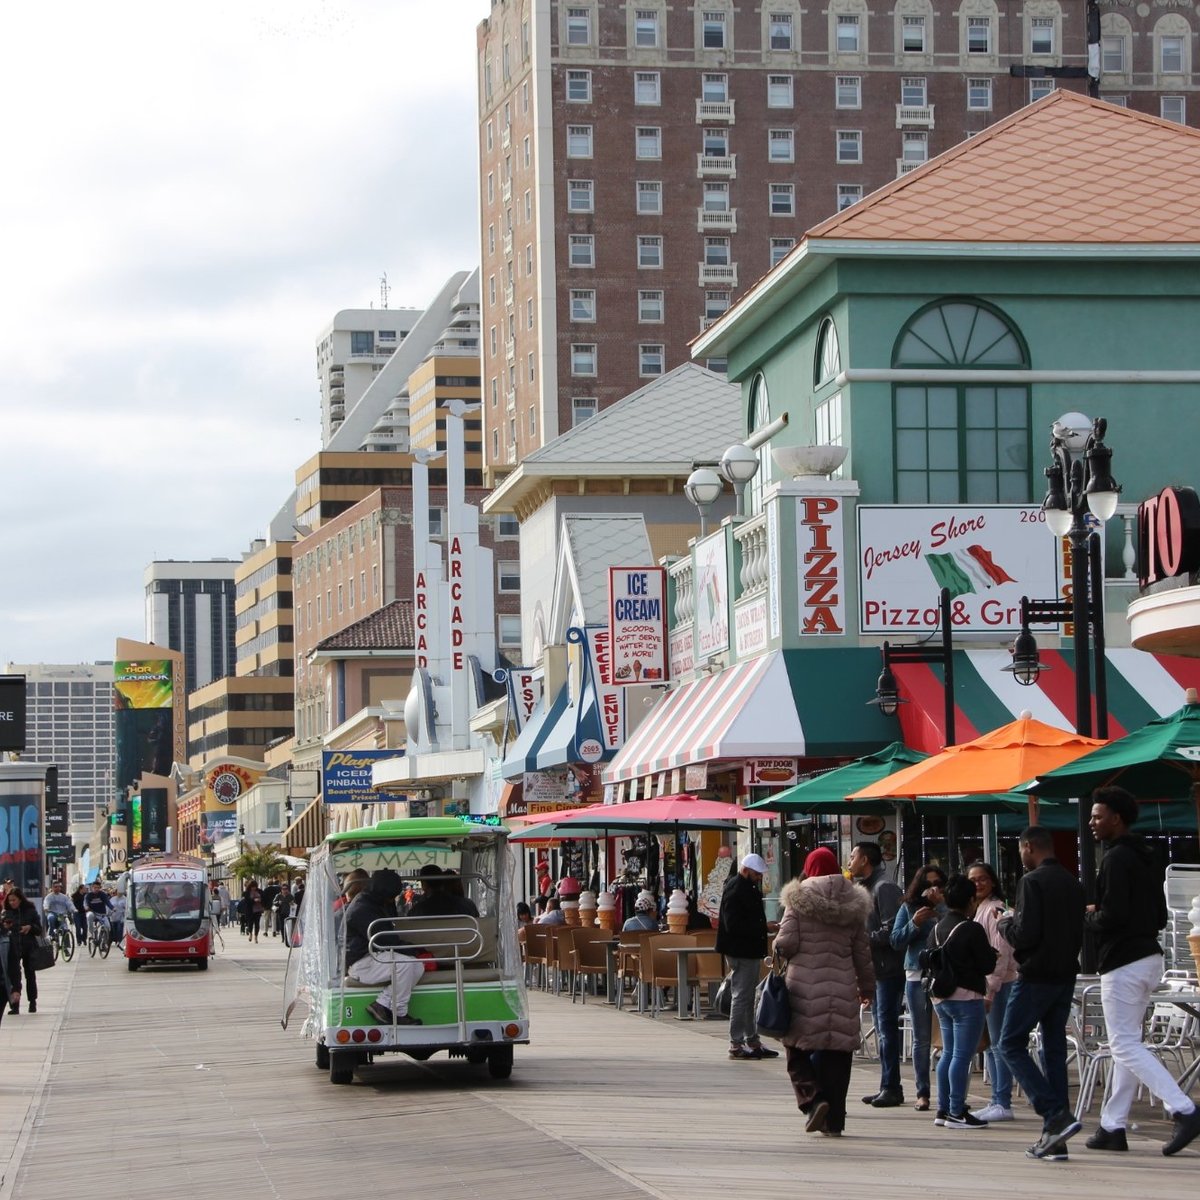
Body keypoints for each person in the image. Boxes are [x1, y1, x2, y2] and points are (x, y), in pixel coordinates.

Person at [1084, 786, 1200, 1157]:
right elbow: (1157, 915)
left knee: (1123, 1044)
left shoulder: (1116, 859)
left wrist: (1090, 917)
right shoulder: (1147, 855)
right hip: (1150, 956)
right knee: (1127, 1044)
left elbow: (1113, 916)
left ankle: (1184, 1109)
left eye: (1098, 816)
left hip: (1124, 961)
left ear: (1116, 819)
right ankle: (1112, 1126)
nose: (1092, 823)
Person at [998, 825, 1086, 1162]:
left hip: (1036, 975)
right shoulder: (1073, 883)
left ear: (1029, 847)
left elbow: (1025, 934)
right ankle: (1056, 1138)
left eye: (1020, 850)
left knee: (1009, 1043)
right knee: (1053, 1051)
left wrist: (1005, 923)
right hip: (1065, 974)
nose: (1021, 856)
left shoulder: (1031, 882)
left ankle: (1054, 1114)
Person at [774, 846, 874, 1137]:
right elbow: (862, 954)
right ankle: (835, 1123)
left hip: (804, 989)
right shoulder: (855, 904)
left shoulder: (798, 901)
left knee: (795, 1050)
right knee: (838, 1056)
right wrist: (867, 987)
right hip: (843, 988)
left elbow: (785, 945)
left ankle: (813, 1099)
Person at [929, 874, 997, 1130]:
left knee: (947, 1052)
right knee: (961, 1055)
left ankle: (943, 1108)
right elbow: (987, 964)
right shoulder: (971, 928)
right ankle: (956, 1110)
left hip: (940, 997)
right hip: (967, 996)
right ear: (970, 900)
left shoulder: (937, 926)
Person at [848, 841, 905, 1106]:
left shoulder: (885, 887)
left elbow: (893, 930)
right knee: (881, 1027)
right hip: (876, 968)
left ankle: (892, 1086)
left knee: (886, 1029)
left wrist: (863, 940)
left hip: (889, 969)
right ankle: (887, 1084)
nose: (849, 861)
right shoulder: (866, 887)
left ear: (865, 860)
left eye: (853, 856)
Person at [889, 863, 947, 1111]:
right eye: (927, 884)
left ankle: (949, 1092)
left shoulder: (949, 908)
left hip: (946, 976)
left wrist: (942, 909)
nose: (931, 890)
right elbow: (895, 940)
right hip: (916, 974)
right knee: (921, 1038)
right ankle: (922, 1092)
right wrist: (914, 923)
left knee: (947, 1036)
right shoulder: (908, 907)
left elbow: (959, 929)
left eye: (937, 884)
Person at [716, 851, 780, 1061]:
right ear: (746, 870)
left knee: (747, 997)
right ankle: (736, 1043)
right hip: (741, 950)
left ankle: (751, 1040)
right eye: (757, 873)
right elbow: (733, 924)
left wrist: (763, 928)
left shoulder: (744, 886)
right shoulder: (736, 889)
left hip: (746, 949)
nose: (760, 877)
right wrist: (764, 927)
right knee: (741, 997)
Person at [967, 861, 1018, 1123]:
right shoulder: (980, 910)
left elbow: (1001, 954)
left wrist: (990, 989)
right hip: (990, 985)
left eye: (982, 878)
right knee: (992, 1045)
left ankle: (1002, 1101)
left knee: (998, 1044)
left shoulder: (997, 910)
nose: (978, 883)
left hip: (999, 986)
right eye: (973, 879)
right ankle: (998, 1099)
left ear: (993, 881)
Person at [344, 868, 424, 1026]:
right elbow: (385, 939)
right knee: (406, 964)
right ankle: (399, 1012)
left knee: (417, 966)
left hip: (374, 956)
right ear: (383, 893)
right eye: (391, 897)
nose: (392, 900)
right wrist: (415, 949)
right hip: (361, 962)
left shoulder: (375, 901)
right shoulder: (362, 908)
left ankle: (381, 1004)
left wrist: (415, 952)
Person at [1, 887, 42, 1014]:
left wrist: (30, 927)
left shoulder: (30, 911)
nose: (12, 903)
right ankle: (15, 1005)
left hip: (28, 946)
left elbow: (39, 929)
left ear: (20, 899)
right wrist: (5, 927)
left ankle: (32, 1002)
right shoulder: (6, 913)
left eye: (14, 900)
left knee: (30, 975)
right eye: (10, 900)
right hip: (12, 948)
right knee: (14, 976)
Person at [408, 865, 480, 918]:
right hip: (465, 938)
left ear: (424, 884)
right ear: (442, 881)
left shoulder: (417, 911)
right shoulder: (468, 905)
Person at [82, 880, 113, 947]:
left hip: (102, 914)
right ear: (92, 888)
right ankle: (92, 933)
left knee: (108, 927)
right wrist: (86, 907)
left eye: (98, 887)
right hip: (92, 912)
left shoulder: (102, 894)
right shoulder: (88, 895)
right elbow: (85, 903)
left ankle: (104, 943)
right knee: (90, 916)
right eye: (95, 887)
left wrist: (113, 908)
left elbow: (108, 902)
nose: (96, 889)